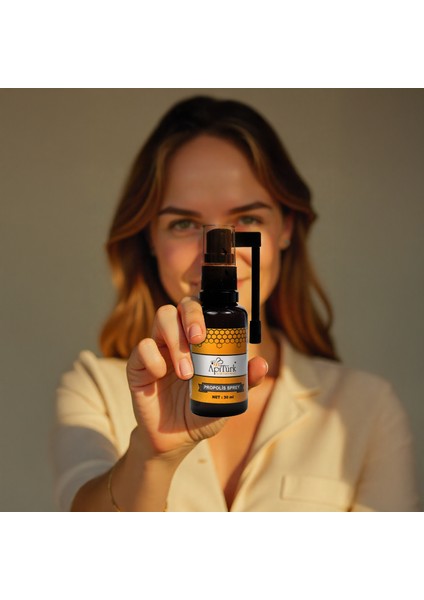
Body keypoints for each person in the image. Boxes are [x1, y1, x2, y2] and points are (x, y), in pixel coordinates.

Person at [53, 95, 420, 511]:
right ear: (149, 238)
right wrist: (151, 456)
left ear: (286, 228)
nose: (218, 255)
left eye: (247, 219)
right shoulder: (97, 389)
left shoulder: (367, 408)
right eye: (184, 223)